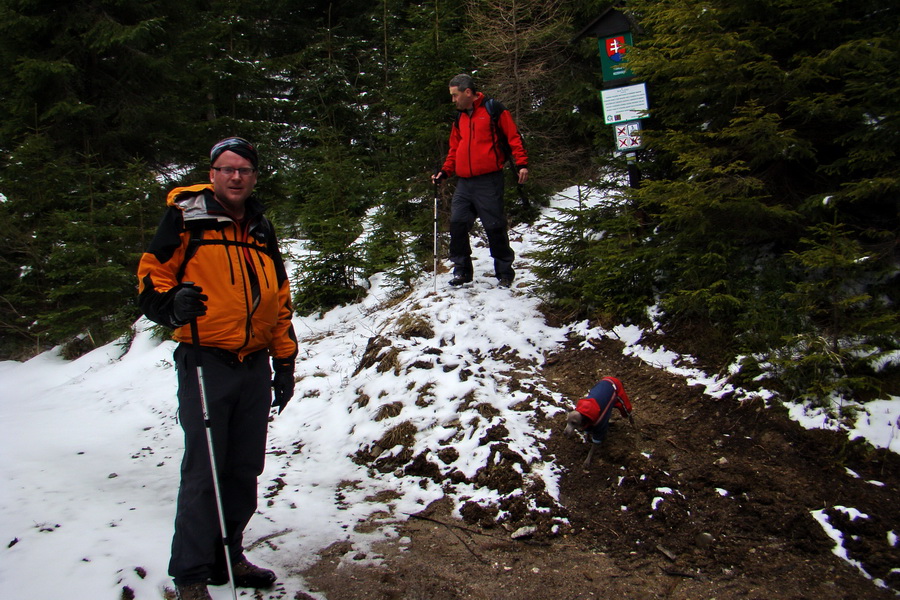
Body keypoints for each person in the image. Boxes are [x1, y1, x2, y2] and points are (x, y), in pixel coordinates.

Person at [137, 137, 298, 600]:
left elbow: (279, 300)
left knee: (244, 468)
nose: (235, 176)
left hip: (254, 364)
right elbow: (152, 273)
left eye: (244, 169)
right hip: (206, 358)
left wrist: (284, 363)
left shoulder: (261, 228)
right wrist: (172, 305)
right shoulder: (186, 216)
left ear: (253, 176)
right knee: (205, 469)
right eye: (226, 169)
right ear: (212, 174)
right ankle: (190, 574)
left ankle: (228, 554)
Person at [432, 73, 529, 288]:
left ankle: (504, 272)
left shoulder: (493, 109)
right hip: (465, 182)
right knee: (457, 224)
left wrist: (522, 163)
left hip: (489, 180)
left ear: (468, 92)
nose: (453, 100)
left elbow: (513, 137)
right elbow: (454, 148)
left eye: (455, 95)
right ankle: (462, 271)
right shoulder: (459, 118)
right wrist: (445, 172)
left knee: (494, 226)